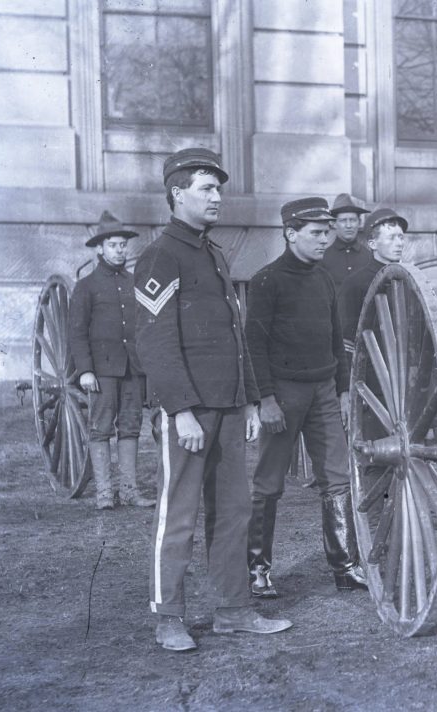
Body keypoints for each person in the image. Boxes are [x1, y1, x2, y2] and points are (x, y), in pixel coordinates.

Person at [134, 147, 292, 651]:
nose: (216, 197)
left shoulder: (214, 253)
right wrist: (180, 410)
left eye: (218, 188)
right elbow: (154, 341)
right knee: (178, 514)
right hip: (191, 412)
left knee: (233, 512)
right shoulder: (161, 255)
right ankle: (169, 617)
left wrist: (246, 401)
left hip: (227, 408)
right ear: (177, 193)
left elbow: (235, 335)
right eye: (206, 188)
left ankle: (233, 610)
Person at [245, 197, 368, 598]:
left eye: (326, 232)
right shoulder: (266, 281)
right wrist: (265, 399)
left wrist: (345, 389)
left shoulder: (323, 279)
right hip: (282, 394)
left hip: (324, 392)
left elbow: (338, 341)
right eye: (315, 233)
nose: (323, 240)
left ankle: (345, 566)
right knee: (268, 483)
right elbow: (254, 346)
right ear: (290, 233)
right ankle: (258, 569)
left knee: (336, 477)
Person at [69, 211, 155, 510]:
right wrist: (85, 370)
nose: (120, 250)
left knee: (131, 426)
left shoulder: (135, 282)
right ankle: (105, 493)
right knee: (101, 427)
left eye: (123, 245)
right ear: (100, 249)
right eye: (114, 245)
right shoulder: (87, 286)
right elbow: (77, 334)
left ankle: (130, 491)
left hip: (133, 367)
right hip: (102, 370)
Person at [339, 207, 409, 356]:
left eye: (401, 237)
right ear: (372, 244)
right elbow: (348, 340)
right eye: (391, 238)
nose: (399, 243)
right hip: (371, 371)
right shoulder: (354, 283)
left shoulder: (410, 281)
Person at [321, 193, 370, 286]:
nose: (348, 225)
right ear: (333, 223)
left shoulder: (369, 257)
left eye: (352, 220)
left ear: (359, 223)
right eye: (343, 220)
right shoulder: (323, 259)